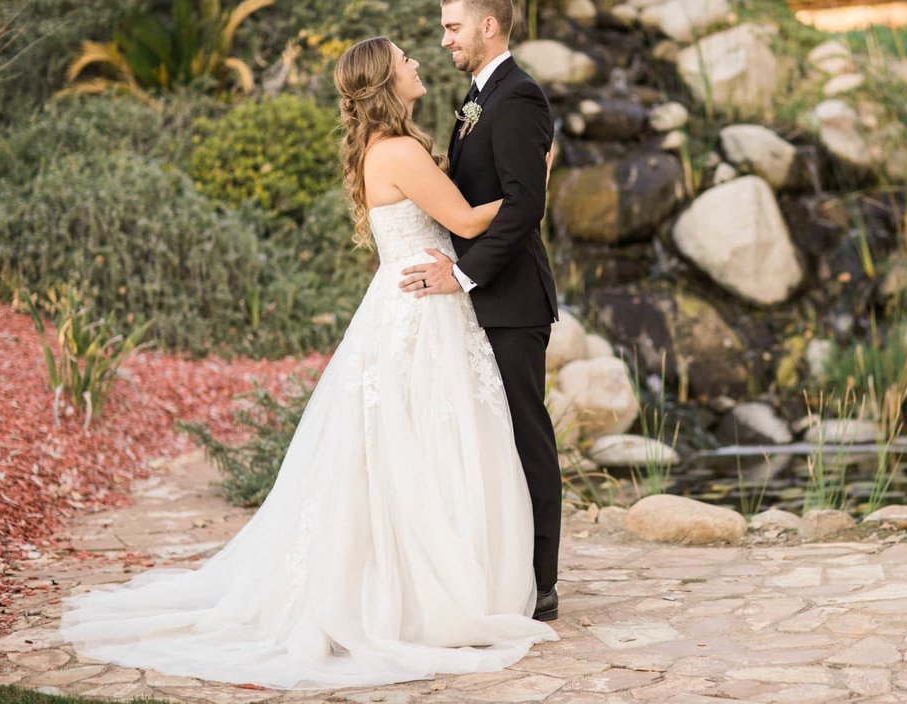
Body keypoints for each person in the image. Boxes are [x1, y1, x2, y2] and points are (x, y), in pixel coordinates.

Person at [58, 35, 558, 690]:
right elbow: (465, 224)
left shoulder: (385, 148)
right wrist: (534, 188)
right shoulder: (402, 151)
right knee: (428, 444)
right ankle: (427, 586)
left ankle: (408, 575)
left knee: (404, 449)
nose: (416, 62)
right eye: (405, 59)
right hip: (422, 310)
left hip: (407, 304)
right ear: (386, 81)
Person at [399, 0, 561, 622]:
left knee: (526, 439)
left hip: (513, 299)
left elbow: (526, 204)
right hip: (484, 299)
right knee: (491, 442)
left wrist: (463, 276)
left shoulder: (518, 95)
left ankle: (541, 583)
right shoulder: (478, 96)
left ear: (488, 27)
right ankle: (500, 571)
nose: (444, 40)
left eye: (452, 28)